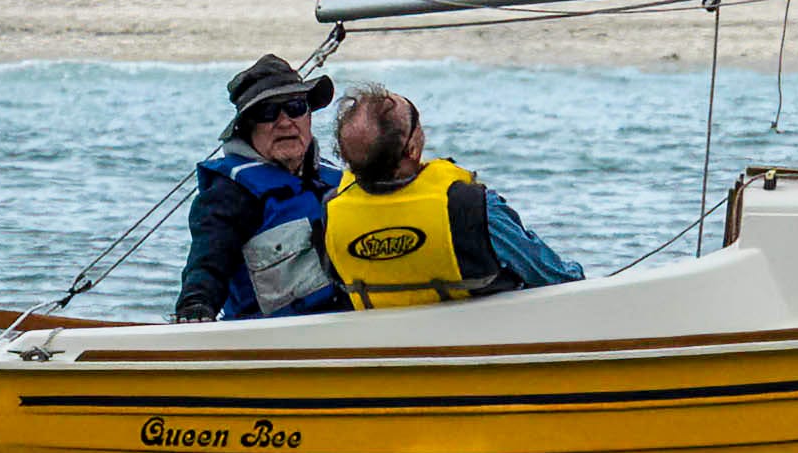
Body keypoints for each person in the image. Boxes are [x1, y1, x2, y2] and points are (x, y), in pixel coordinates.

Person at [316, 86, 580, 308]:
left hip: (386, 345)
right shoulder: (469, 207)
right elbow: (554, 277)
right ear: (412, 149)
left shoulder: (332, 213)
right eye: (415, 119)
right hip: (480, 339)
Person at [178, 55, 345, 321]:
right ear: (246, 128)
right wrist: (195, 306)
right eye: (267, 112)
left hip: (352, 325)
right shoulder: (228, 195)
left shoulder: (341, 181)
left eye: (296, 107)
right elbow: (207, 264)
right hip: (271, 336)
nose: (285, 122)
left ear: (309, 117)